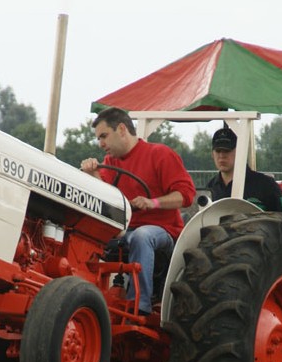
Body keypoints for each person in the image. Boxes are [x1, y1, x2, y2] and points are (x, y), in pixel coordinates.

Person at [81, 107, 196, 315]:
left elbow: (186, 195)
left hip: (163, 231)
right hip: (125, 230)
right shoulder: (110, 163)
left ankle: (139, 306)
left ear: (122, 129)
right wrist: (93, 174)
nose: (100, 144)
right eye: (98, 139)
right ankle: (87, 297)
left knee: (142, 236)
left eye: (104, 136)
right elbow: (107, 198)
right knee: (86, 233)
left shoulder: (160, 154)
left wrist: (153, 202)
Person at [206, 125, 282, 212]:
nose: (222, 156)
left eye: (227, 151)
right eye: (218, 151)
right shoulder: (210, 188)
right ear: (212, 154)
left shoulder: (266, 185)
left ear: (241, 151)